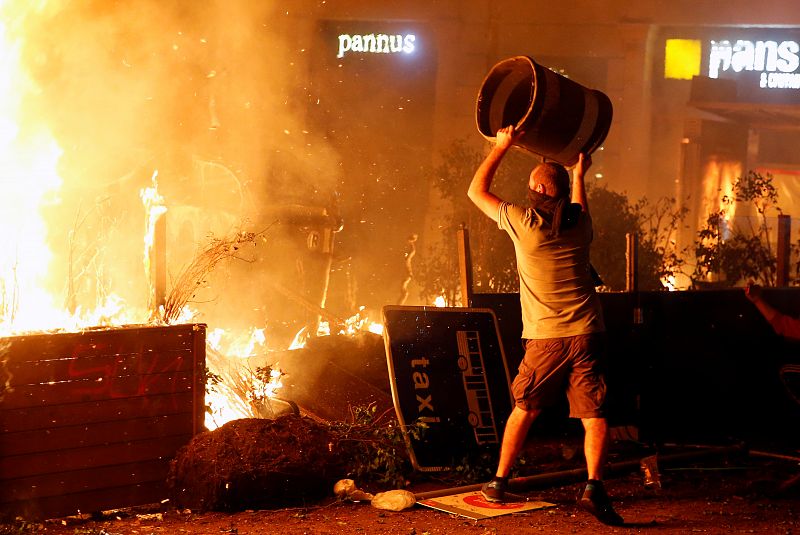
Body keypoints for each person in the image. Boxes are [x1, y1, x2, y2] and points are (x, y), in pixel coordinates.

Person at [467, 125, 623, 526]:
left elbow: (476, 192)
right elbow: (578, 206)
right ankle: (593, 487)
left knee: (524, 407)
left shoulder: (525, 224)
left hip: (546, 338)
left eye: (532, 184)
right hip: (588, 333)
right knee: (594, 413)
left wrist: (501, 146)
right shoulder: (580, 227)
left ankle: (499, 483)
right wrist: (579, 175)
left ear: (537, 190)